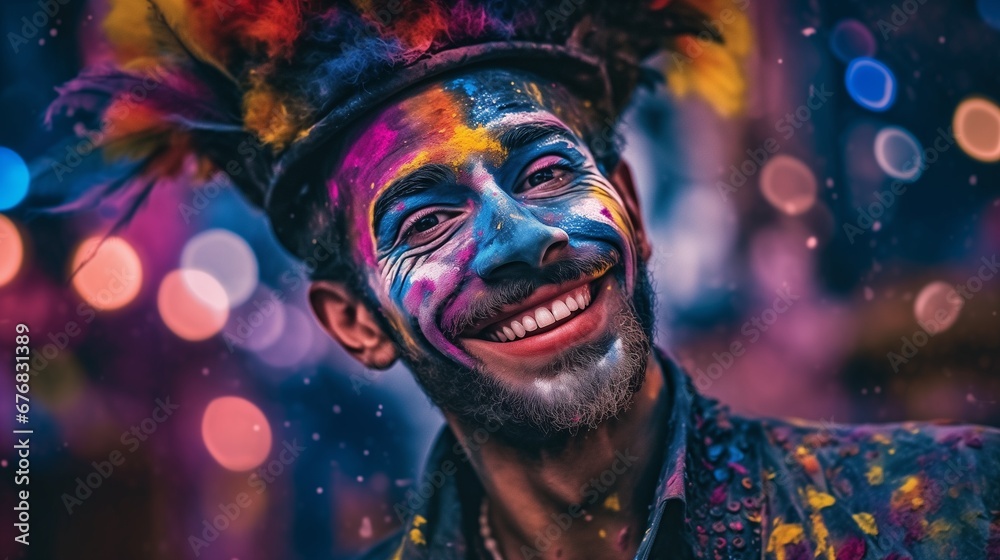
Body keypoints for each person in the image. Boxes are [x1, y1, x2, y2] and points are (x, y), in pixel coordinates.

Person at [37, 0, 999, 558]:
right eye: (425, 217)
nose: (517, 237)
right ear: (354, 322)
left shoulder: (953, 510)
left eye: (543, 170)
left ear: (625, 201)